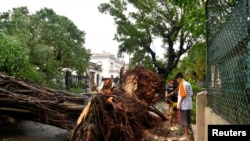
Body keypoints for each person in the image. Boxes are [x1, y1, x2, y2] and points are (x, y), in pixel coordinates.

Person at [174, 72, 193, 141]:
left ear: (179, 78)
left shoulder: (182, 84)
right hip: (189, 104)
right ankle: (186, 134)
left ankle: (186, 136)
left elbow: (183, 95)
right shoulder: (188, 84)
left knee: (184, 121)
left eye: (177, 80)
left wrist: (179, 104)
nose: (177, 81)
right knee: (187, 120)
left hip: (184, 105)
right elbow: (191, 95)